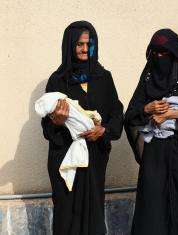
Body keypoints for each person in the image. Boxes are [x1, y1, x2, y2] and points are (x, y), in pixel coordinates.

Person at [124, 29, 178, 235]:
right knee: (153, 211)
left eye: (165, 54)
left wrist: (173, 114)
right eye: (156, 54)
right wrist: (148, 109)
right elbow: (130, 117)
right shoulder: (147, 78)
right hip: (155, 156)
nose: (160, 58)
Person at [41, 21, 123, 235]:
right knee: (66, 213)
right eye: (79, 44)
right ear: (69, 46)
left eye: (89, 44)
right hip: (65, 157)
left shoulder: (103, 77)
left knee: (93, 214)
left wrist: (104, 130)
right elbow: (46, 127)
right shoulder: (58, 80)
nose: (85, 49)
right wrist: (56, 122)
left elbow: (116, 112)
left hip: (95, 157)